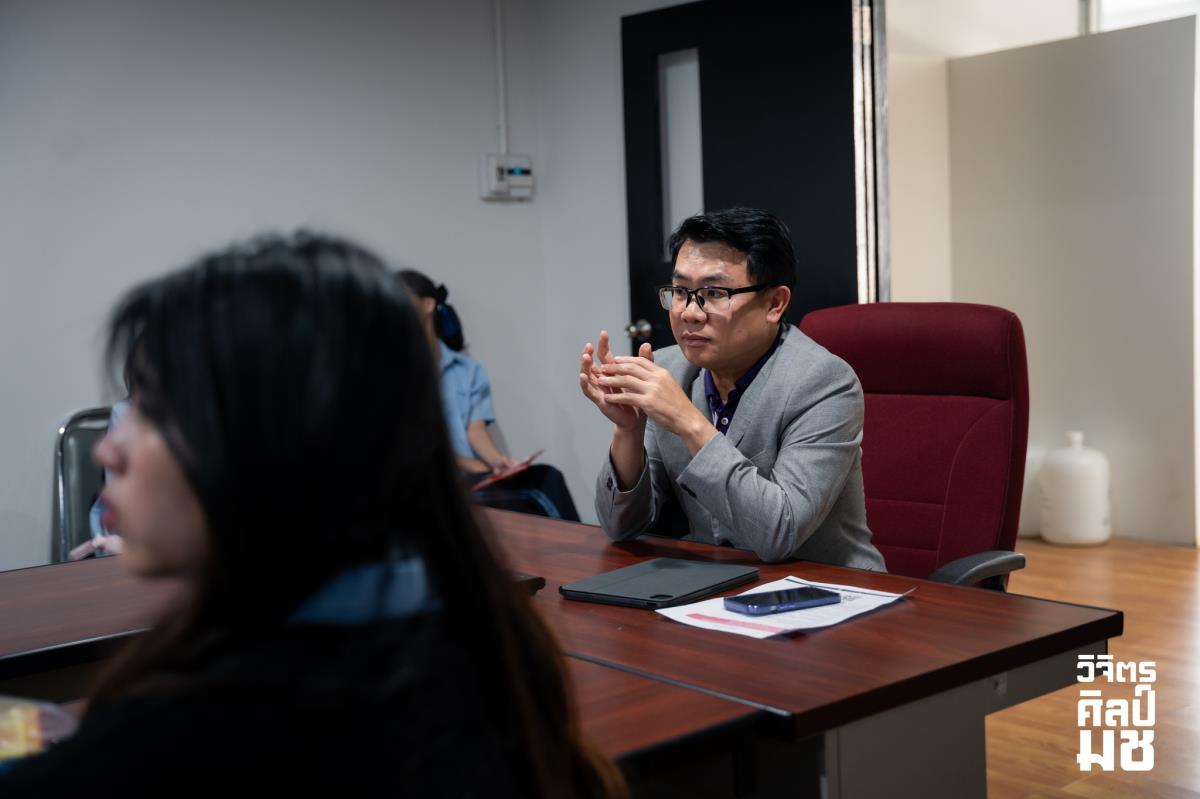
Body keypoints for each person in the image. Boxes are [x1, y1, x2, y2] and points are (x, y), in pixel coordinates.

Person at [1, 234, 623, 797]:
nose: (108, 449)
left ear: (281, 440)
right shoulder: (490, 651)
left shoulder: (183, 740)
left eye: (154, 409)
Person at [579, 208, 885, 569]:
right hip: (716, 584)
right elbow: (620, 527)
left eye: (713, 292)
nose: (690, 312)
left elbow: (780, 534)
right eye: (681, 291)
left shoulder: (824, 382)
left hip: (828, 588)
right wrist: (628, 431)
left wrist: (687, 420)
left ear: (774, 304)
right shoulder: (668, 369)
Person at [398, 269, 580, 522]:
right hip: (429, 480)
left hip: (470, 478)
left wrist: (498, 462)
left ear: (428, 305)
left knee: (547, 477)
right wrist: (475, 467)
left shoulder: (468, 371)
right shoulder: (392, 371)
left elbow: (475, 430)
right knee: (536, 493)